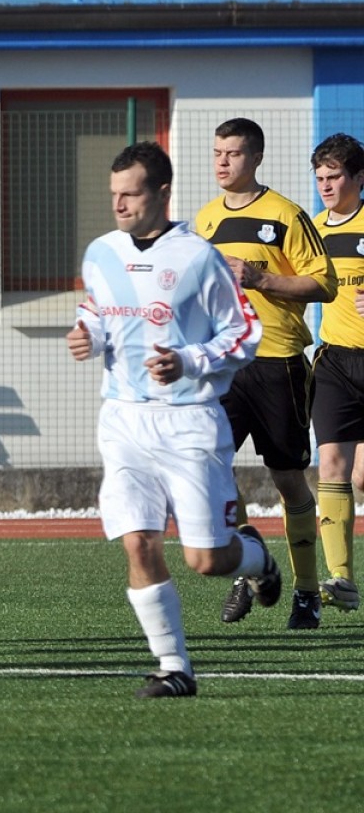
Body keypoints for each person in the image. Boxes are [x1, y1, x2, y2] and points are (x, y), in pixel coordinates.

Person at [69, 140, 278, 697]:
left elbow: (244, 333)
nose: (119, 204)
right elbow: (97, 308)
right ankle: (174, 666)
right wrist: (86, 333)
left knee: (206, 560)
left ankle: (256, 558)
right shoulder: (101, 252)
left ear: (162, 193)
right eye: (113, 194)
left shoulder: (198, 257)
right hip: (123, 419)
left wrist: (188, 359)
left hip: (188, 421)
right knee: (138, 542)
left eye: (131, 193)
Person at [193, 117, 337, 629]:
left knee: (288, 479)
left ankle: (305, 593)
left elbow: (324, 286)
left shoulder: (286, 216)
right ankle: (247, 563)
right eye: (216, 153)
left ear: (255, 157)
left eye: (232, 153)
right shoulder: (204, 220)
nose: (222, 162)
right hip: (224, 367)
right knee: (208, 470)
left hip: (278, 364)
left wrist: (261, 277)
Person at [309, 132, 364, 613]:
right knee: (331, 466)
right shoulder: (311, 230)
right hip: (334, 361)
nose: (326, 186)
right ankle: (341, 578)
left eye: (335, 176)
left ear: (359, 177)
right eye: (321, 177)